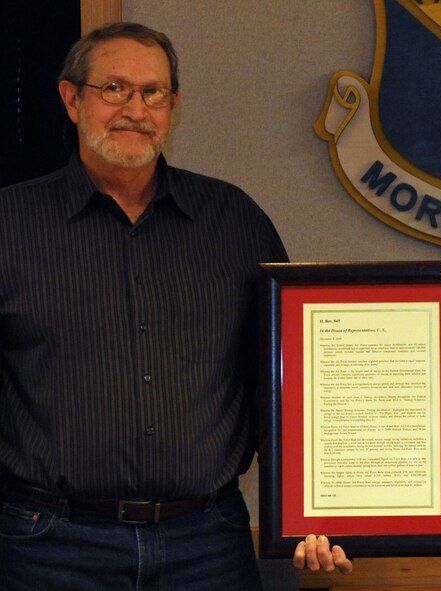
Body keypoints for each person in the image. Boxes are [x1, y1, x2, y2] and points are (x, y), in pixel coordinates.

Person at [0, 22, 350, 590]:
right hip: (50, 546)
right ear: (71, 99)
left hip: (207, 543)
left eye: (153, 92)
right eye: (113, 88)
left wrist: (324, 508)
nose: (134, 109)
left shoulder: (234, 221)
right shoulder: (11, 224)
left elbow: (289, 381)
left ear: (173, 105)